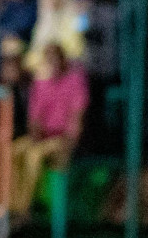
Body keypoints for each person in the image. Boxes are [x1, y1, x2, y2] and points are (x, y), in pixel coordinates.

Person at [9, 43, 89, 220]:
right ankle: (10, 208)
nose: (52, 62)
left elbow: (77, 117)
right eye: (49, 58)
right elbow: (35, 118)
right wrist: (36, 133)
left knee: (34, 155)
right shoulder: (41, 83)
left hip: (63, 140)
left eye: (56, 57)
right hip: (43, 137)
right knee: (14, 151)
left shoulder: (75, 81)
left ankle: (23, 212)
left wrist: (70, 141)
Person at [22, 0, 86, 75]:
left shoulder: (78, 18)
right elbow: (32, 57)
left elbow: (79, 50)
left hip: (69, 71)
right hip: (44, 74)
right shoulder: (41, 23)